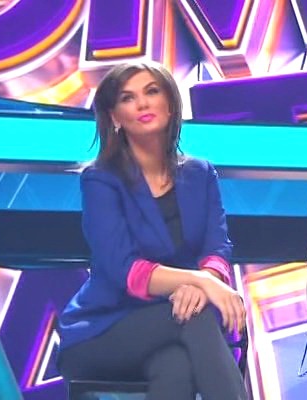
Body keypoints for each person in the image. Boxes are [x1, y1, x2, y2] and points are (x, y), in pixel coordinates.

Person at [57, 62, 248, 400]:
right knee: (197, 318)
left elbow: (217, 246)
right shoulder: (100, 180)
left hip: (175, 320)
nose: (142, 103)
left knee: (176, 365)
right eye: (127, 98)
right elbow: (124, 269)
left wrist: (202, 282)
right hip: (102, 328)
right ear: (115, 117)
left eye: (152, 91)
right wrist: (202, 283)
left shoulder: (200, 173)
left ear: (170, 104)